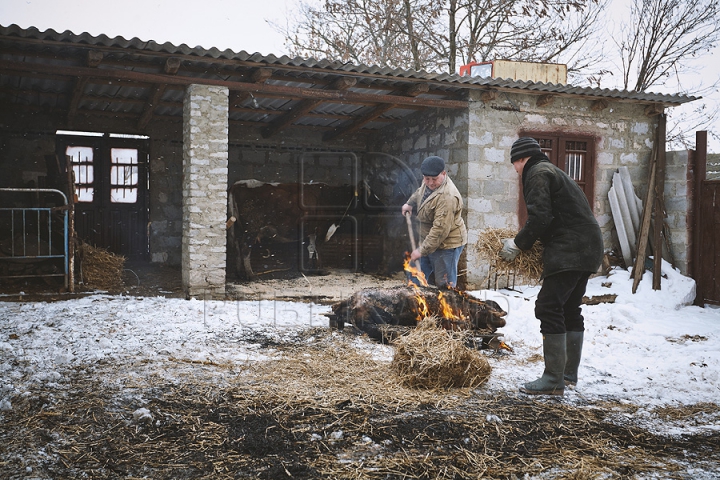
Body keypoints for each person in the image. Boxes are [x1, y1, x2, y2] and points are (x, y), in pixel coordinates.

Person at [500, 137, 603, 396]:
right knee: (569, 307)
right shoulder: (553, 171)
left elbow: (540, 217)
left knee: (547, 306)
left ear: (520, 159)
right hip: (588, 246)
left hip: (569, 248)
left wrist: (518, 244)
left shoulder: (536, 172)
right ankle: (567, 374)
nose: (515, 169)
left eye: (514, 164)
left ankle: (553, 379)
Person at [401, 155, 467, 288]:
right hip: (429, 240)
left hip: (446, 245)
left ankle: (448, 306)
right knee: (414, 276)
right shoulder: (428, 182)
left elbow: (439, 231)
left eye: (434, 179)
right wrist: (410, 203)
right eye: (427, 179)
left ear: (443, 173)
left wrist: (421, 250)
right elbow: (420, 192)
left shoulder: (447, 197)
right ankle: (416, 305)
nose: (430, 183)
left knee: (444, 285)